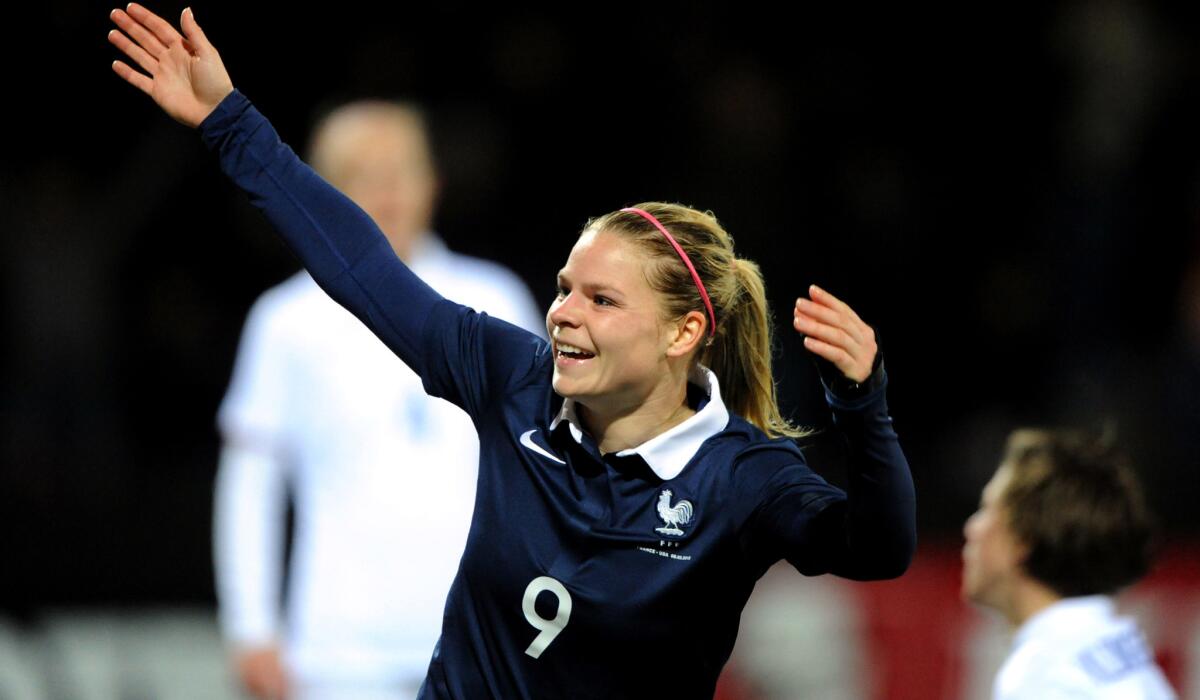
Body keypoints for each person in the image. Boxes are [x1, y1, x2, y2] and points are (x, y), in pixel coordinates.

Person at [107, 6, 916, 697]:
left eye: (601, 300)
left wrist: (864, 410)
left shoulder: (742, 475)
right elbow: (366, 271)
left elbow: (875, 551)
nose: (563, 315)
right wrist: (232, 124)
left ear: (683, 333)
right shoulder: (514, 381)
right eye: (564, 288)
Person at [213, 97, 545, 698]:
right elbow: (251, 481)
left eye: (403, 171)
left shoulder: (497, 299)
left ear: (435, 181)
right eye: (364, 175)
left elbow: (544, 468)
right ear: (321, 189)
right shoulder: (286, 320)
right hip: (338, 653)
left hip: (484, 637)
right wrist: (250, 626)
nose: (388, 191)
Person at [961, 428, 1177, 699]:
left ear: (1023, 539)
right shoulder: (1111, 654)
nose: (971, 529)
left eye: (987, 509)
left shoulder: (1045, 676)